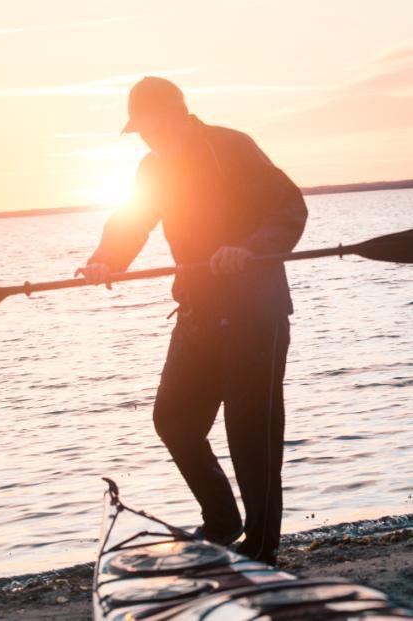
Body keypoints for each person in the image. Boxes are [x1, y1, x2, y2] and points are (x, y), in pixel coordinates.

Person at [75, 77, 307, 565]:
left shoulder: (230, 146)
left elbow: (289, 207)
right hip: (198, 311)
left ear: (178, 113)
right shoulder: (152, 168)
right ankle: (223, 521)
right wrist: (105, 259)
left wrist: (249, 248)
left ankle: (262, 547)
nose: (146, 136)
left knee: (251, 435)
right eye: (139, 129)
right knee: (175, 421)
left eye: (151, 125)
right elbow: (132, 220)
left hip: (254, 312)